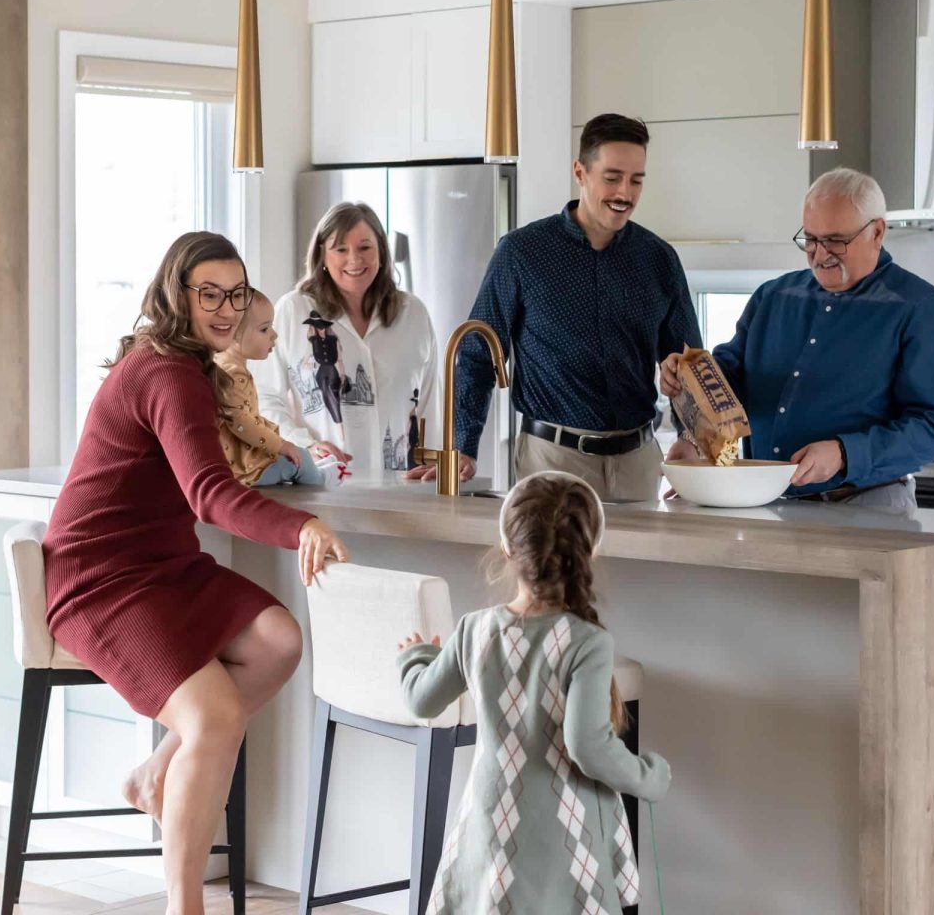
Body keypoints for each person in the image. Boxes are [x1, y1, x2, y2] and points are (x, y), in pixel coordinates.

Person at [42, 231, 348, 915]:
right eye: (208, 293)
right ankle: (186, 908)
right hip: (100, 578)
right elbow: (208, 494)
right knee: (214, 720)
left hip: (163, 564)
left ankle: (157, 773)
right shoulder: (166, 371)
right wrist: (301, 524)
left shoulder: (191, 365)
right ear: (176, 293)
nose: (223, 308)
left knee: (279, 640)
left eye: (235, 294)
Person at [397, 471, 671, 913]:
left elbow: (421, 700)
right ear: (591, 551)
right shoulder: (586, 642)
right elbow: (589, 747)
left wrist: (415, 657)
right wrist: (648, 776)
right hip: (564, 832)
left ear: (507, 549)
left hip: (490, 820)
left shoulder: (475, 628)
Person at [427, 113, 700, 501]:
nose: (625, 192)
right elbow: (476, 354)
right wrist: (462, 446)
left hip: (639, 462)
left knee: (639, 565)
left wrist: (690, 438)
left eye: (637, 180)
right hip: (552, 459)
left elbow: (689, 364)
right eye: (612, 177)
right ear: (580, 172)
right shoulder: (522, 253)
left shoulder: (659, 259)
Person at [662, 168, 934, 512]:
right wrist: (687, 380)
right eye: (811, 239)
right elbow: (729, 388)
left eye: (836, 240)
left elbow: (931, 428)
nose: (820, 254)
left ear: (877, 232)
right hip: (764, 503)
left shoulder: (922, 309)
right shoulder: (772, 297)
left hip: (866, 505)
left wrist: (844, 453)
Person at [256, 202, 442, 477]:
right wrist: (305, 445)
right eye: (341, 249)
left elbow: (429, 401)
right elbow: (265, 397)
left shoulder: (412, 313)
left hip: (405, 486)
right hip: (325, 482)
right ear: (322, 255)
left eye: (365, 247)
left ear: (381, 250)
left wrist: (434, 463)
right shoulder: (293, 311)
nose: (354, 260)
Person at [214, 288, 332, 487]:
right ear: (234, 333)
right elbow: (241, 422)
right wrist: (280, 445)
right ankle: (324, 480)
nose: (274, 335)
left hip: (237, 463)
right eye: (264, 329)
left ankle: (317, 471)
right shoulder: (234, 374)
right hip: (246, 470)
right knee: (300, 458)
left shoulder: (220, 364)